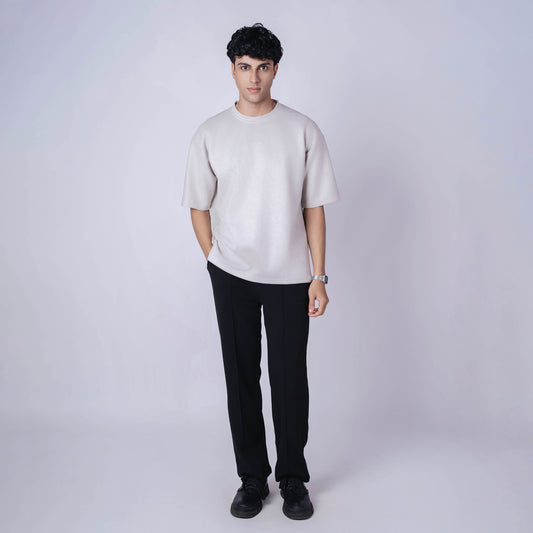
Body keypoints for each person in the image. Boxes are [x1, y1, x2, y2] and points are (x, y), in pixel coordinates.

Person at [181, 23, 340, 520]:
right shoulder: (211, 133)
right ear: (232, 69)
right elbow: (198, 205)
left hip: (291, 276)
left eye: (263, 68)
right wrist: (215, 258)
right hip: (231, 275)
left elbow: (314, 207)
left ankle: (292, 479)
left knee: (289, 380)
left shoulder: (302, 130)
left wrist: (318, 276)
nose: (253, 78)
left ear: (276, 70)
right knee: (240, 376)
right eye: (244, 67)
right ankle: (252, 478)